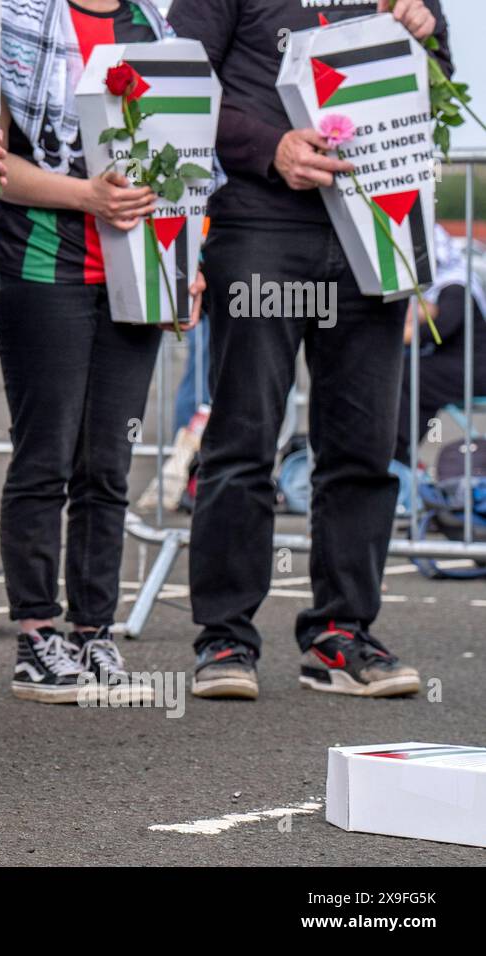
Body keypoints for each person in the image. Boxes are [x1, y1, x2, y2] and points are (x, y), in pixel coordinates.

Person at [168, 0, 447, 699]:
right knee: (244, 439)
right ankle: (225, 637)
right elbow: (177, 89)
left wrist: (429, 36)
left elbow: (438, 92)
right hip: (263, 227)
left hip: (374, 227)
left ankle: (341, 633)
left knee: (363, 446)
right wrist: (270, 147)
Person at [0, 0, 202, 704]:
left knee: (107, 463)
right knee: (45, 455)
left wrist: (187, 268)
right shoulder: (18, 21)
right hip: (43, 268)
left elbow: (188, 166)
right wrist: (88, 196)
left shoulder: (155, 29)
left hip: (136, 273)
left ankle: (93, 631)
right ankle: (35, 636)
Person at [395, 226, 486, 464]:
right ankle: (400, 450)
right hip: (459, 366)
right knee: (409, 374)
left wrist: (395, 335)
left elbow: (438, 330)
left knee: (409, 375)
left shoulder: (457, 287)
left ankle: (399, 452)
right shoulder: (443, 289)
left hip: (473, 370)